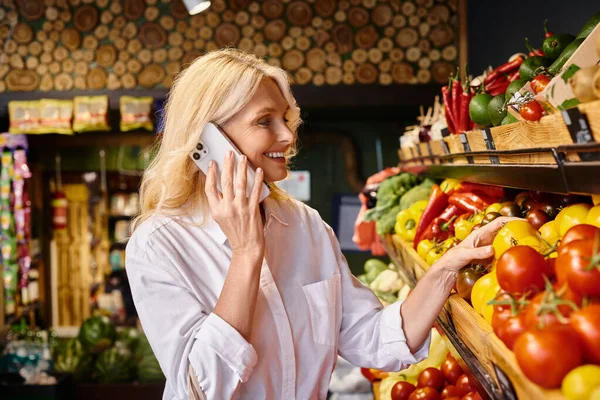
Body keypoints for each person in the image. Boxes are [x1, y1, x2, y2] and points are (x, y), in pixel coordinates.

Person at [126, 48, 512, 400]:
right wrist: (246, 253)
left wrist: (445, 269)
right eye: (265, 121)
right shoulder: (158, 245)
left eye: (286, 118)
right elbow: (199, 387)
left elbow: (373, 338)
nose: (288, 135)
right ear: (207, 141)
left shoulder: (305, 225)